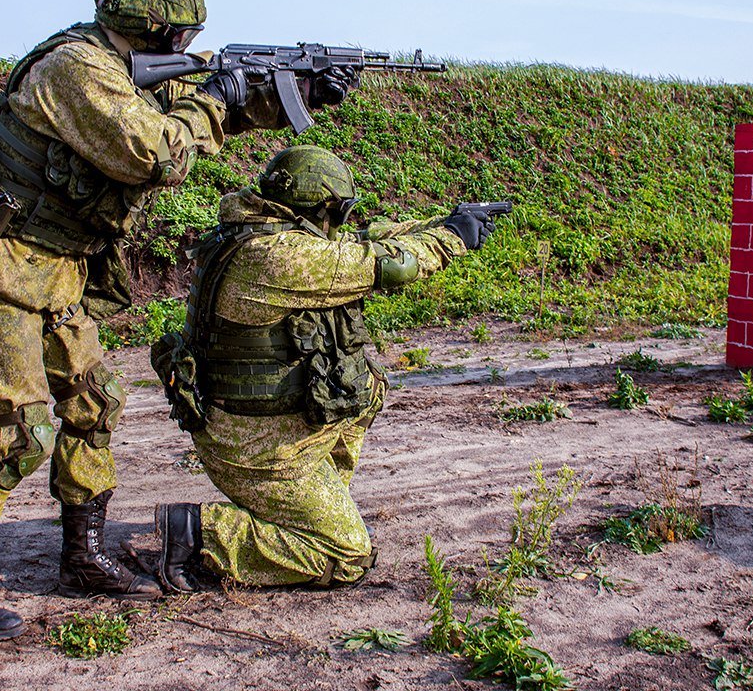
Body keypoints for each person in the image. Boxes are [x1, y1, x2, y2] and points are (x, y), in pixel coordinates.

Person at [0, 0, 351, 641]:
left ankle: (82, 558)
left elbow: (205, 115)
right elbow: (159, 154)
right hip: (2, 265)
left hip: (59, 266)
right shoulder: (78, 71)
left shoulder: (121, 68)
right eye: (182, 36)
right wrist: (214, 96)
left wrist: (289, 96)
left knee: (93, 408)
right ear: (156, 27)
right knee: (17, 435)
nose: (185, 47)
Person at [149, 144, 499, 591]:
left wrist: (448, 220)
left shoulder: (258, 234)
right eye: (340, 212)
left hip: (255, 431)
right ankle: (198, 533)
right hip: (259, 452)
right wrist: (453, 238)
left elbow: (369, 236)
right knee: (348, 555)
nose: (343, 224)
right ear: (321, 208)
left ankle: (321, 499)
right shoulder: (282, 258)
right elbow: (390, 263)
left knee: (364, 385)